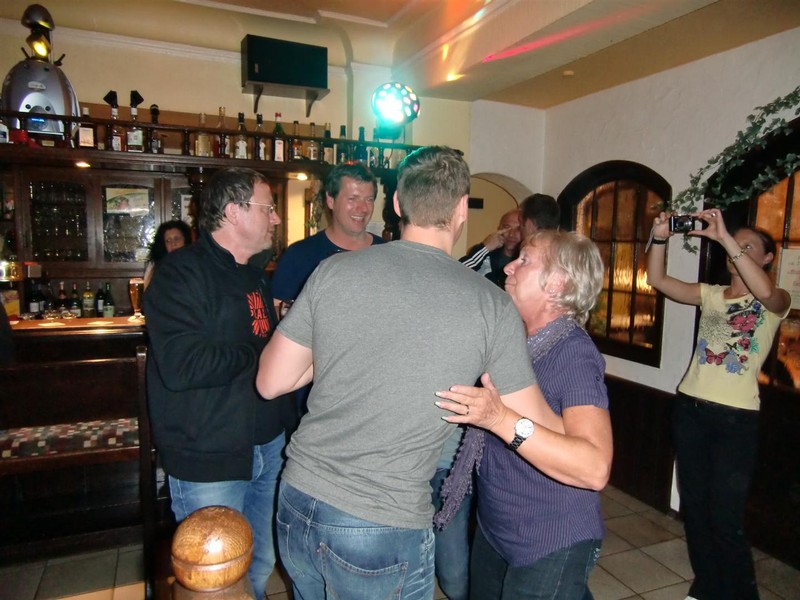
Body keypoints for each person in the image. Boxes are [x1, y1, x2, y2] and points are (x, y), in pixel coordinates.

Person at [256, 146, 564, 600]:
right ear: (462, 208)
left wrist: (347, 349)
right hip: (382, 521)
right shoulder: (491, 304)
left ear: (398, 204)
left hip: (299, 500)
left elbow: (271, 382)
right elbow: (538, 426)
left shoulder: (332, 271)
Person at [143, 167, 297, 598]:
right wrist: (264, 353)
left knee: (259, 567)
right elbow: (183, 365)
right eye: (268, 208)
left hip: (268, 446)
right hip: (209, 455)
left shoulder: (255, 274)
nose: (276, 218)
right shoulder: (179, 274)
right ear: (233, 212)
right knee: (213, 582)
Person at [435, 230, 613, 600]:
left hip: (551, 537)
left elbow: (594, 467)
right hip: (497, 527)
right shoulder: (517, 341)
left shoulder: (572, 353)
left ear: (557, 283)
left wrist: (498, 419)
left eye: (525, 260)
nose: (509, 266)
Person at [646, 210, 791, 600]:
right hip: (691, 411)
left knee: (726, 518)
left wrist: (725, 236)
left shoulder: (775, 301)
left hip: (735, 421)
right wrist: (659, 237)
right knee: (694, 509)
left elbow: (767, 294)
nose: (736, 250)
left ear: (767, 258)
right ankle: (707, 584)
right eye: (734, 244)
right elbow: (657, 279)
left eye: (748, 246)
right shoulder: (711, 294)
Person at [271, 161, 384, 314]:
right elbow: (278, 313)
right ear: (330, 200)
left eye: (369, 199)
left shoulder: (386, 253)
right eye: (353, 199)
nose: (363, 208)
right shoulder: (299, 255)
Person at [460, 209, 522, 288]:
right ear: (499, 229)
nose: (511, 234)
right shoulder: (485, 254)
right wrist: (485, 248)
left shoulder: (529, 260)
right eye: (507, 227)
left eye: (518, 229)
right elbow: (457, 272)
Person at [143, 219, 193, 288]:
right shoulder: (155, 267)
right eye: (168, 241)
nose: (173, 244)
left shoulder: (194, 264)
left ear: (186, 240)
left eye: (177, 239)